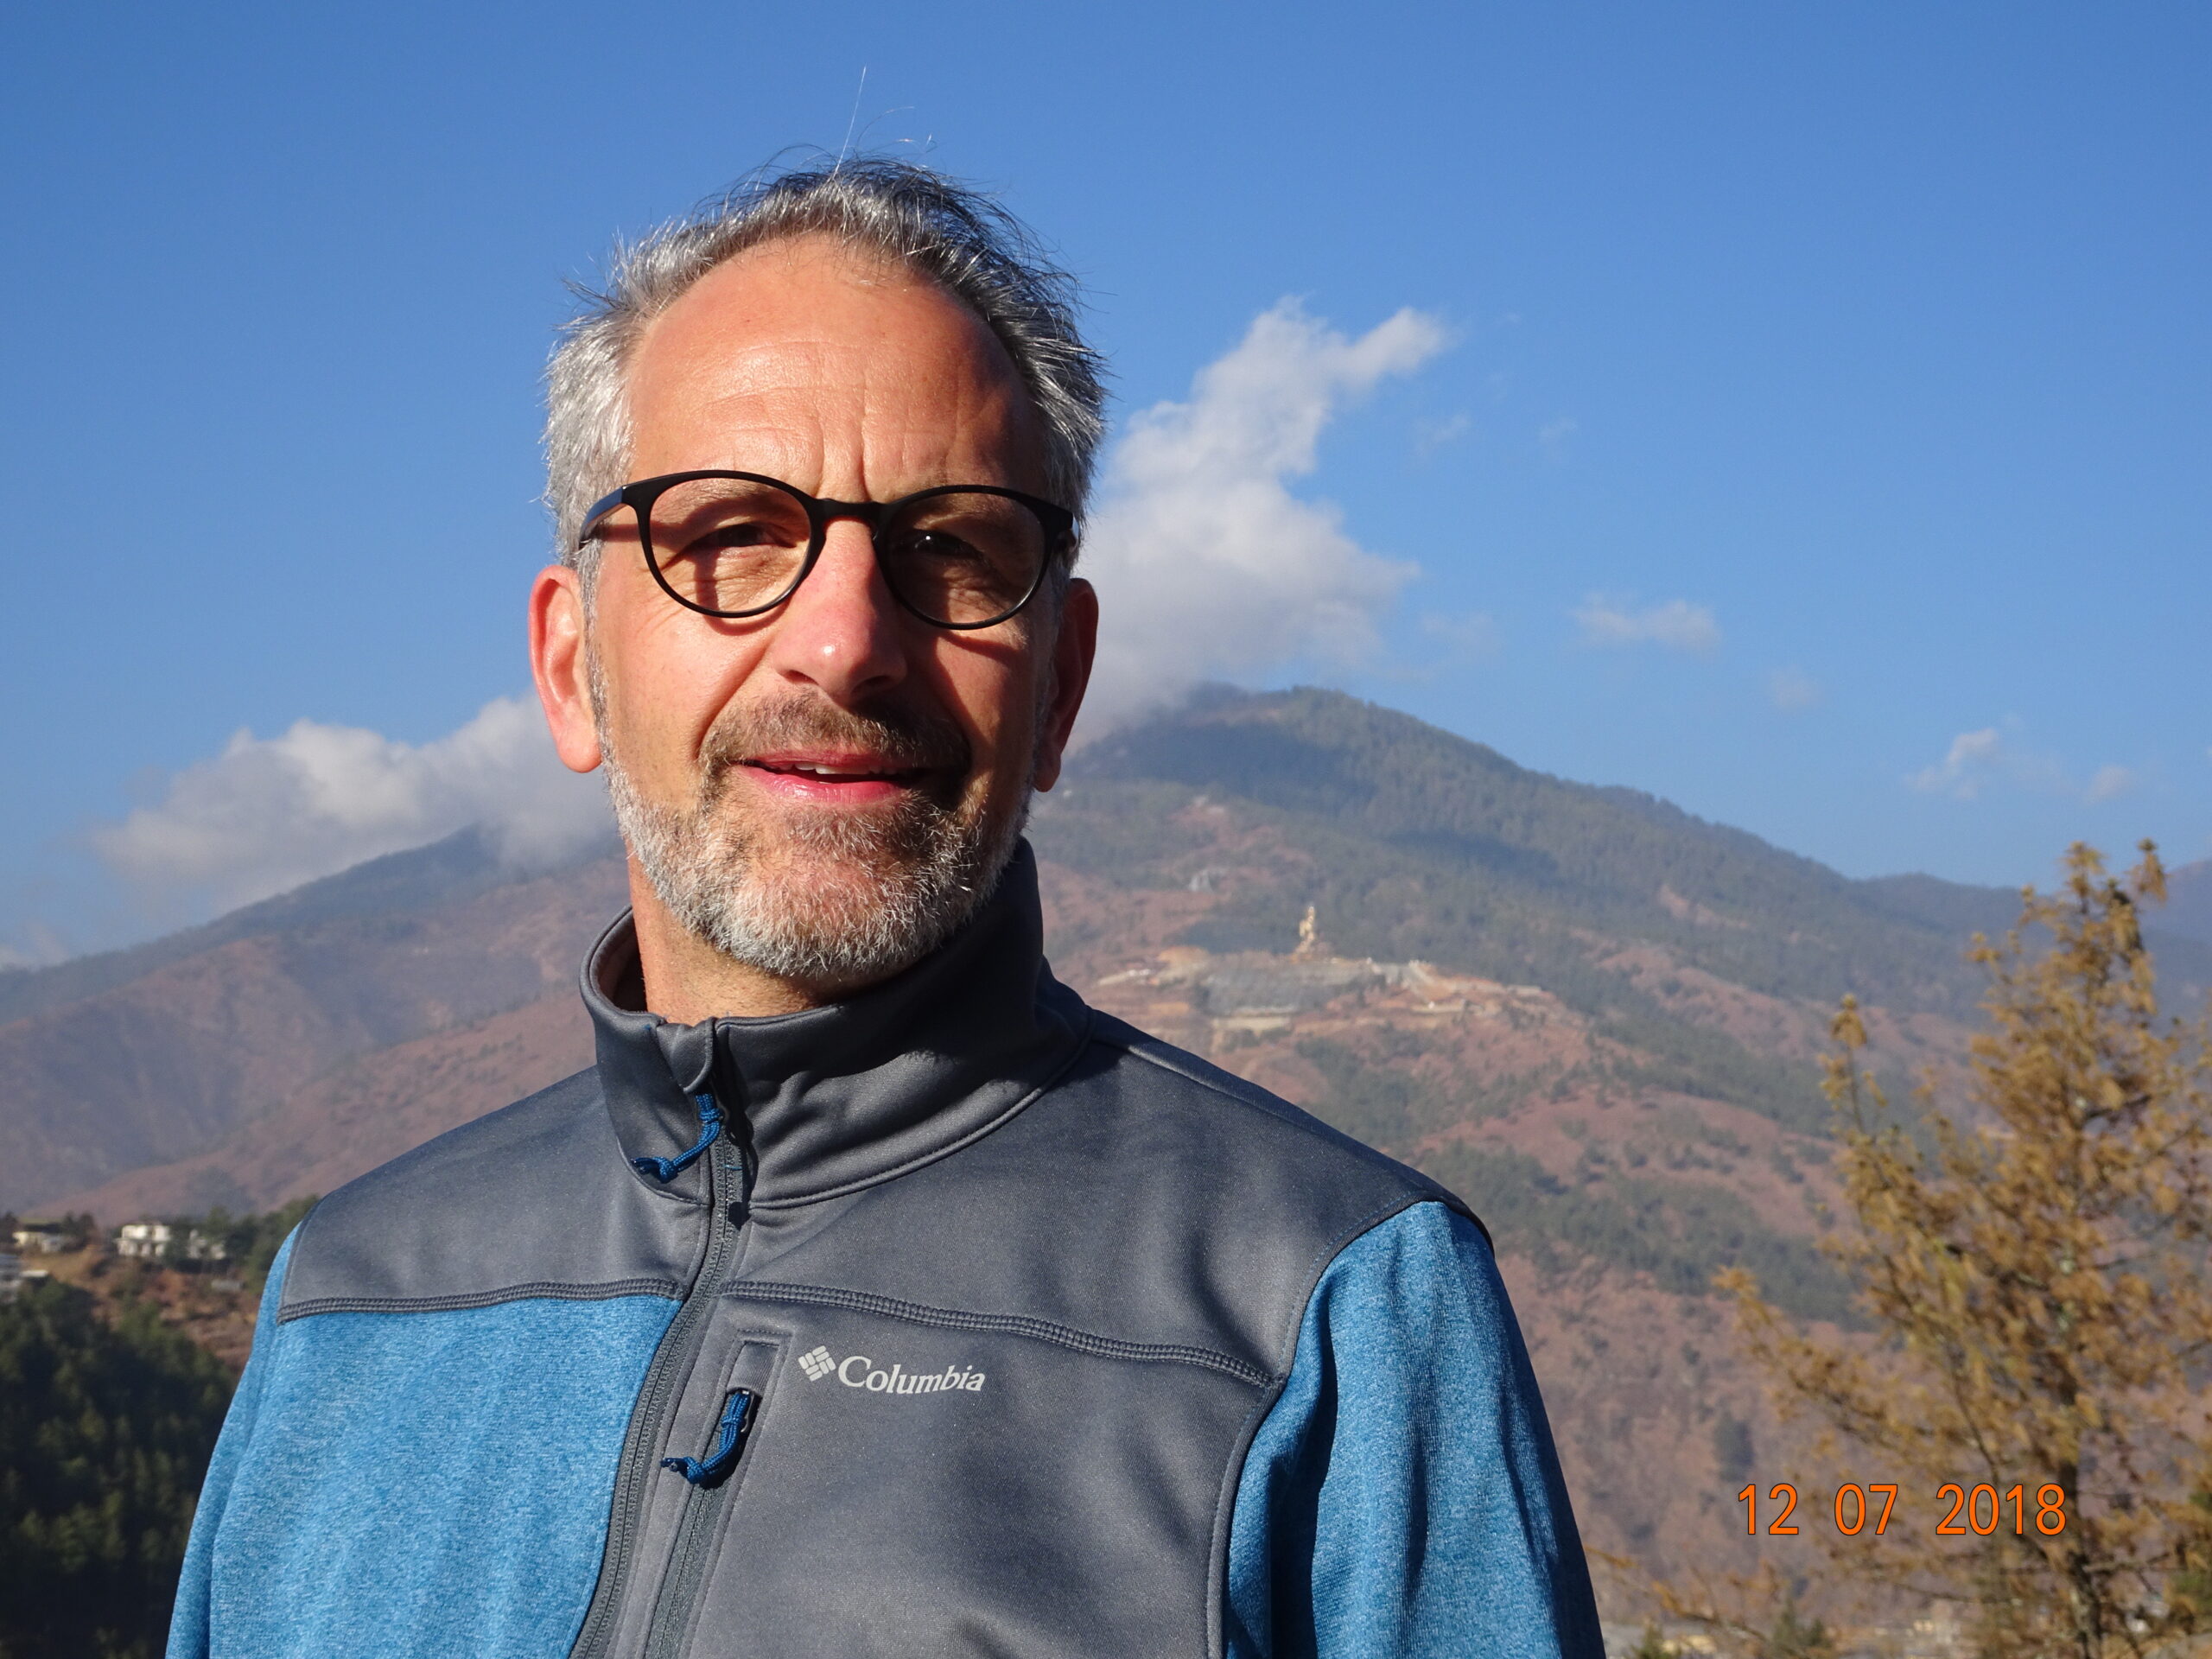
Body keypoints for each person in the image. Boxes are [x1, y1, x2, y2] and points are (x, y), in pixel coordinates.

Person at [168, 159, 1604, 1659]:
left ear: (1059, 681)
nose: (844, 644)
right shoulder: (351, 1298)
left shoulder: (1332, 1312)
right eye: (727, 534)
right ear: (571, 662)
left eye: (953, 546)